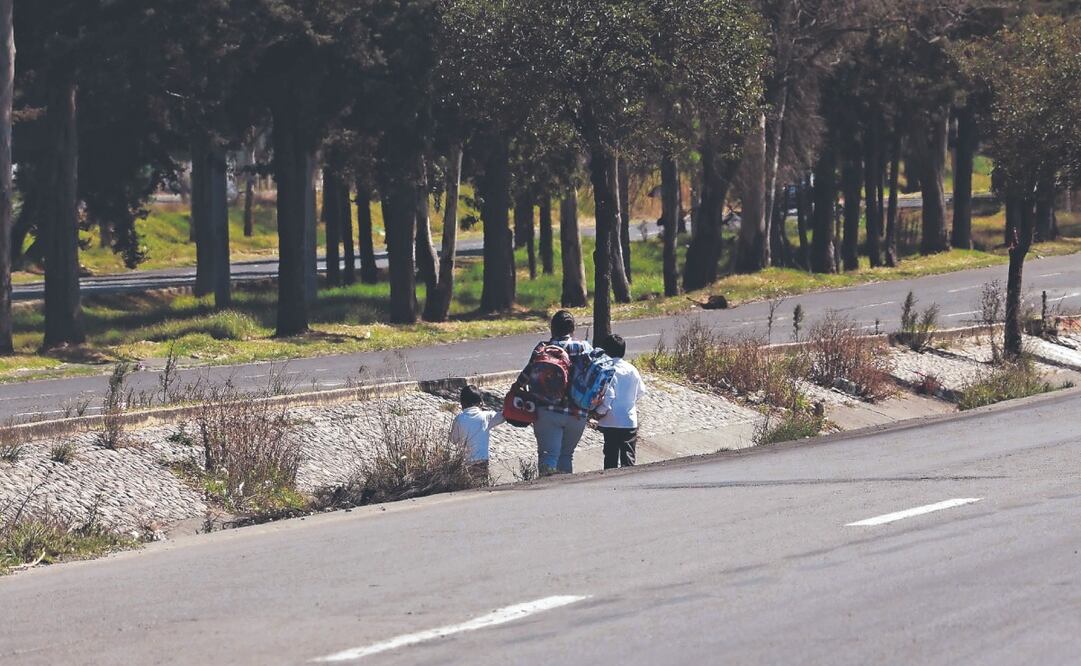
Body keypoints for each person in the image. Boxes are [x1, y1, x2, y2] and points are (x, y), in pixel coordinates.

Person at [517, 310, 592, 475]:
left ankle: (546, 493)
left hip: (546, 412)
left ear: (552, 328)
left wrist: (515, 390)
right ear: (573, 329)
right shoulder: (584, 347)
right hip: (577, 413)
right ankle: (565, 495)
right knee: (566, 456)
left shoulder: (542, 348)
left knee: (548, 456)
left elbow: (526, 376)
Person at [595, 333, 647, 469]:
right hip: (629, 420)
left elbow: (609, 396)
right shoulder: (632, 369)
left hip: (610, 420)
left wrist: (599, 412)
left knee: (610, 457)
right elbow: (641, 391)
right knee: (628, 456)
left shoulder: (607, 369)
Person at [449, 385, 504, 483]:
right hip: (482, 460)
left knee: (468, 486)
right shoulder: (486, 416)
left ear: (462, 403)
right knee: (482, 484)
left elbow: (453, 440)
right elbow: (503, 416)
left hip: (466, 461)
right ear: (480, 403)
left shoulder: (459, 419)